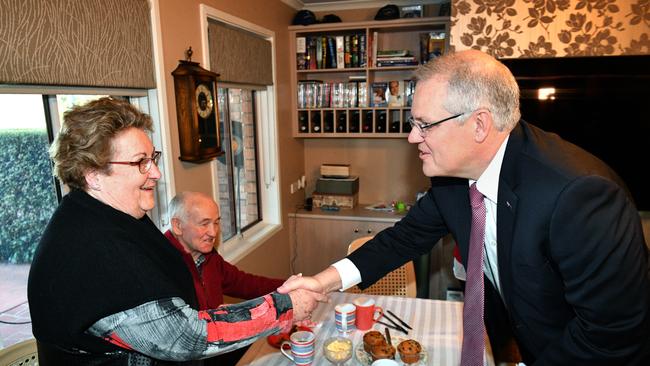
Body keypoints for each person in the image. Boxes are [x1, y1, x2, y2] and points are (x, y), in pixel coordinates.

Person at [279, 50, 650, 365]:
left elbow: (610, 334)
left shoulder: (580, 196)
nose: (412, 137)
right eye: (412, 123)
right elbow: (401, 240)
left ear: (479, 125)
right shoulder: (452, 178)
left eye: (424, 125)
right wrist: (320, 281)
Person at [27, 97, 325, 365]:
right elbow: (186, 337)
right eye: (140, 163)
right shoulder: (91, 249)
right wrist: (286, 306)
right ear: (93, 176)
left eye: (152, 158)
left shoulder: (112, 215)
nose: (155, 173)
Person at [165, 191, 285, 365]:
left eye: (216, 223)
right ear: (177, 226)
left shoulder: (208, 256)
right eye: (204, 224)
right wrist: (225, 317)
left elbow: (246, 283)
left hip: (219, 348)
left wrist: (293, 285)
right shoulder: (162, 265)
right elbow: (179, 334)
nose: (213, 232)